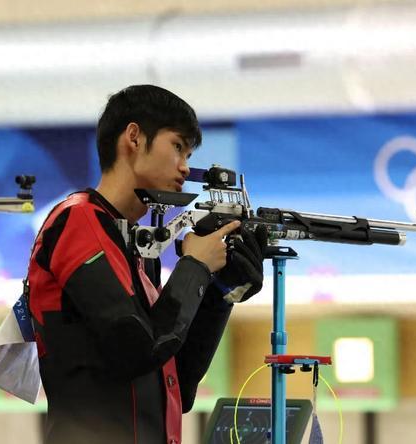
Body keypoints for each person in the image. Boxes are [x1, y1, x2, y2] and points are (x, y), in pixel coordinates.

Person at [27, 84, 266, 444]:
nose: (185, 167)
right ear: (134, 138)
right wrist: (196, 267)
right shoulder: (78, 220)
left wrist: (218, 294)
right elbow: (136, 348)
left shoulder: (133, 247)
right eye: (178, 147)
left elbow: (174, 384)